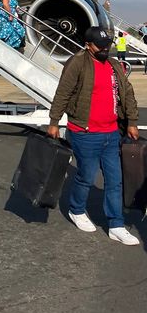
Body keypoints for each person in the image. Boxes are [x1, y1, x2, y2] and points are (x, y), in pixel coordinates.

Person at [47, 27, 140, 246]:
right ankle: (77, 209)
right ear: (88, 45)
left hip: (111, 132)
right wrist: (54, 121)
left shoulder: (113, 65)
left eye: (108, 46)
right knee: (86, 176)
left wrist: (132, 122)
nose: (105, 49)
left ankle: (116, 225)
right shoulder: (77, 63)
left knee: (115, 181)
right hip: (85, 132)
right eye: (100, 46)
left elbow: (127, 92)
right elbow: (63, 93)